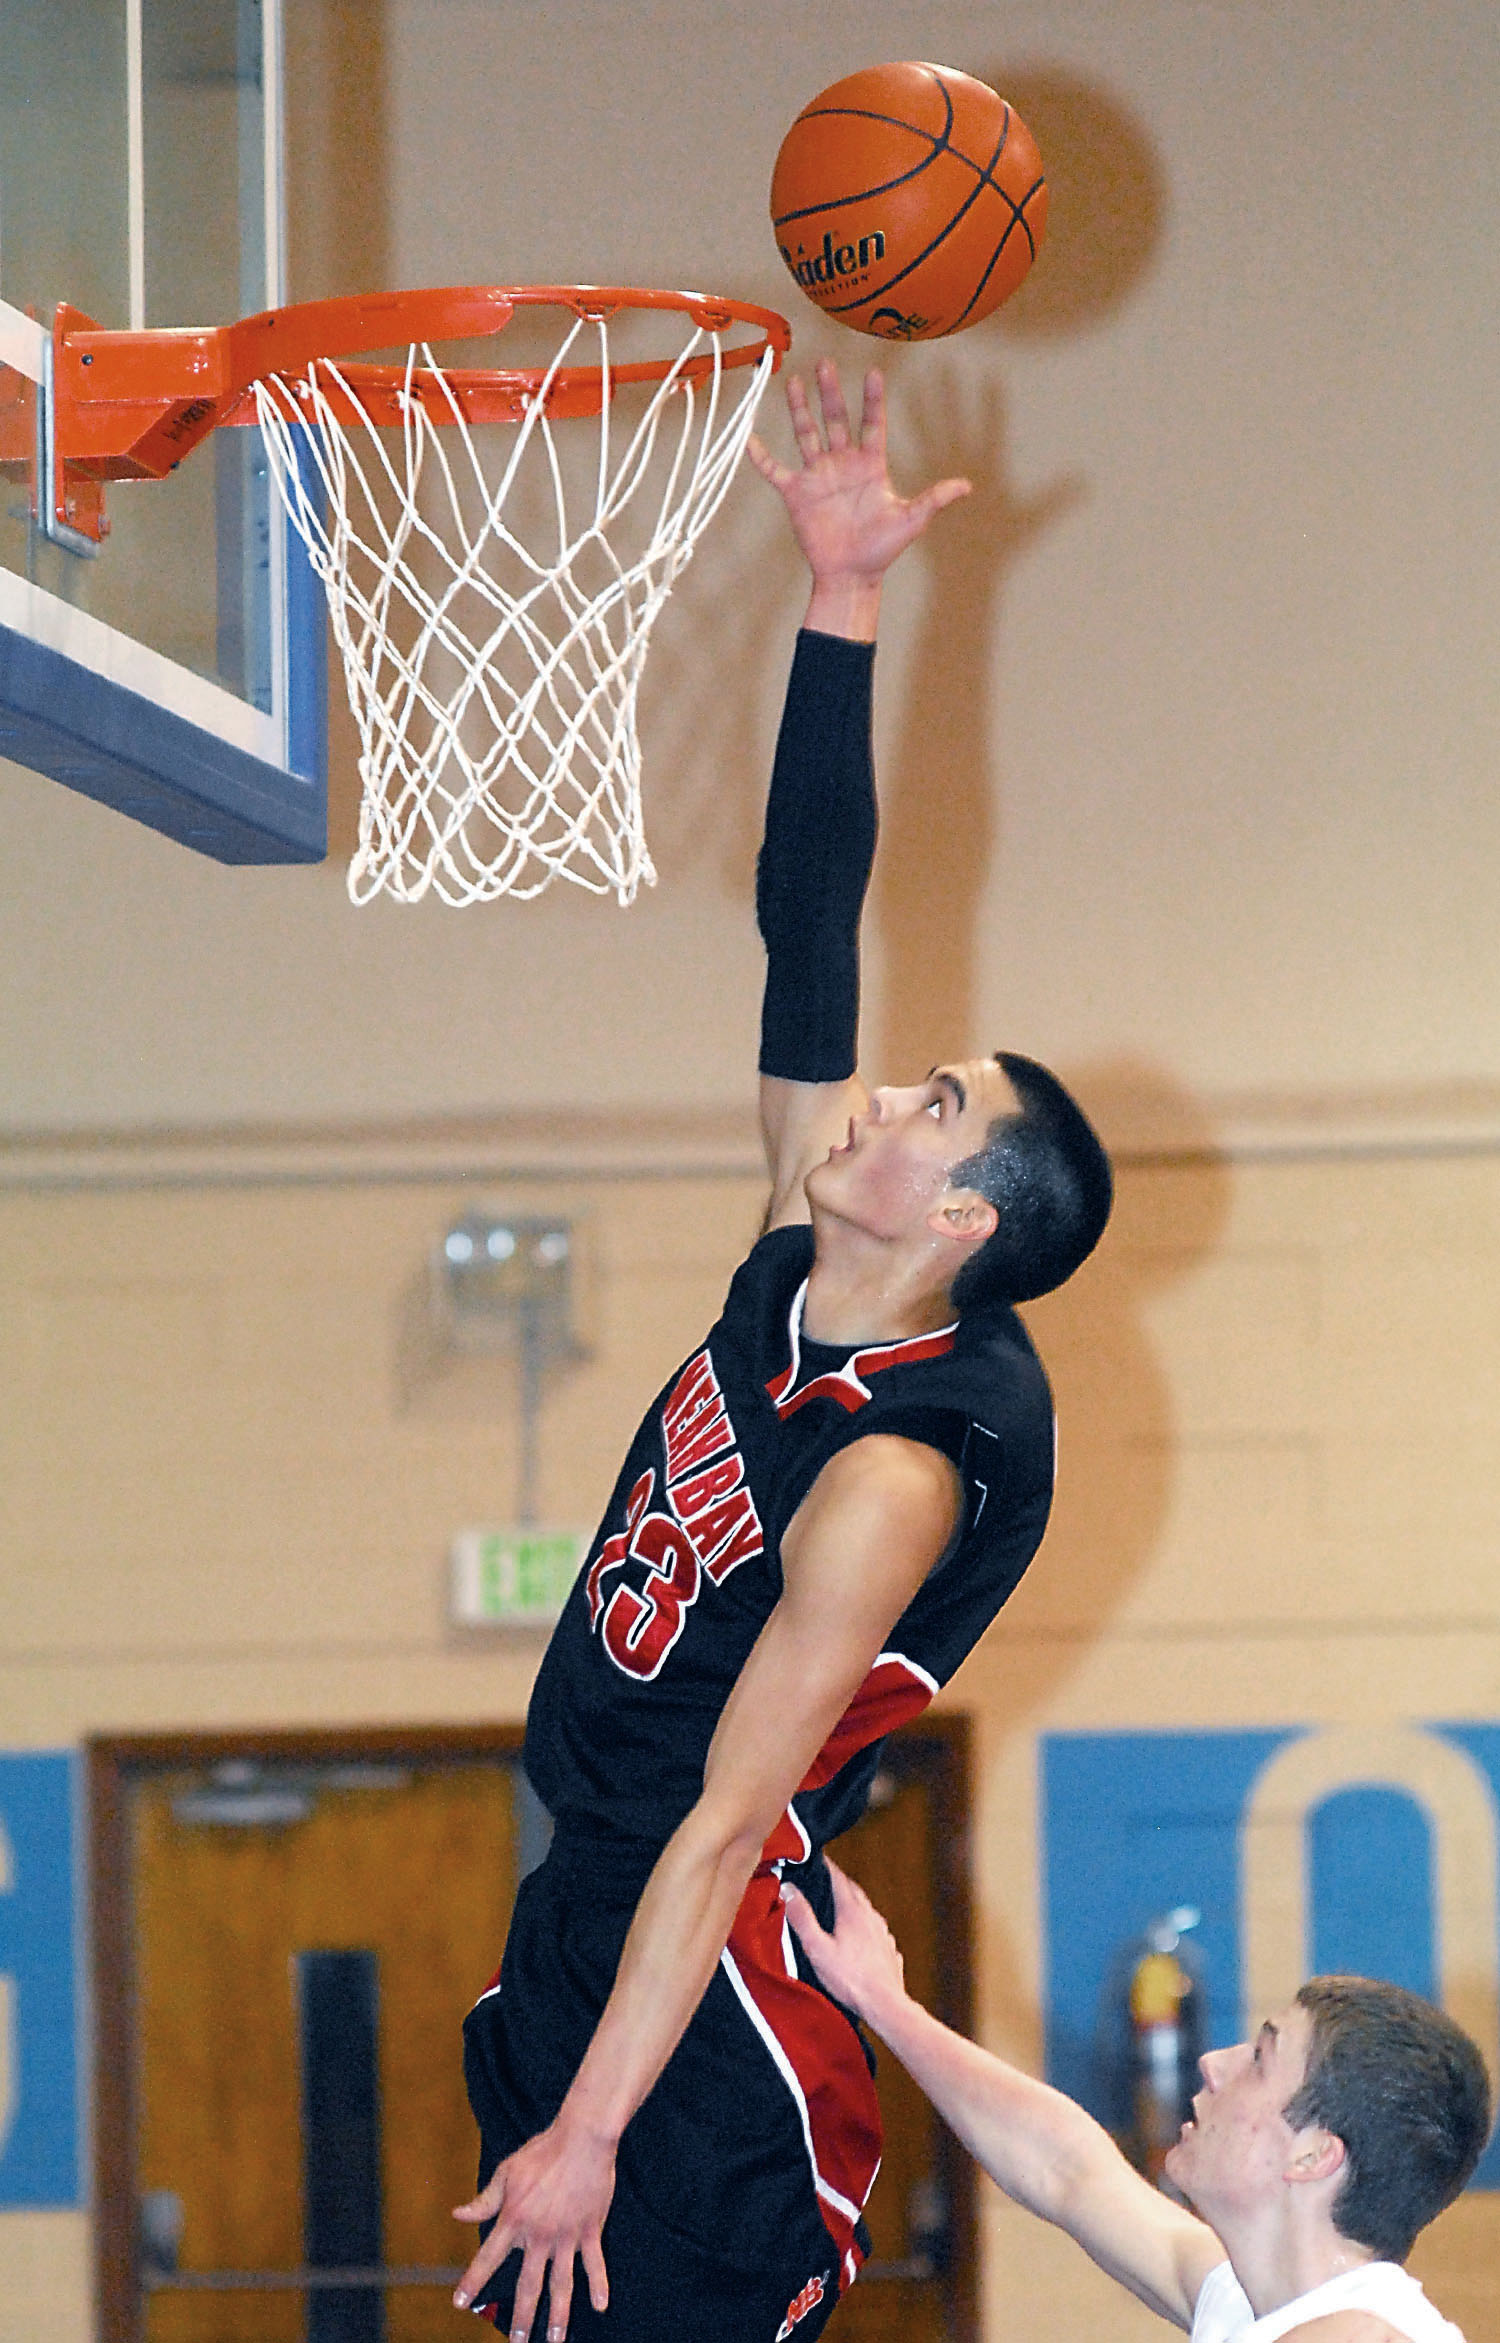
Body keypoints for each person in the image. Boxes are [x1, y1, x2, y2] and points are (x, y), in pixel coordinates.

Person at [452, 359, 1114, 2343]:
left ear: (965, 1218)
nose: (881, 1098)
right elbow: (808, 913)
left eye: (932, 1102)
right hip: (598, 1922)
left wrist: (588, 2127)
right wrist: (842, 603)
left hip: (710, 1995)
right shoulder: (787, 1274)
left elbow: (736, 1814)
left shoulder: (896, 1472)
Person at [783, 1864, 1493, 2343]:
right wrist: (883, 2001)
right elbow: (1069, 2169)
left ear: (1314, 2154)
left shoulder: (1357, 2335)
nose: (1215, 2062)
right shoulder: (1261, 2303)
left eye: (1259, 2058)